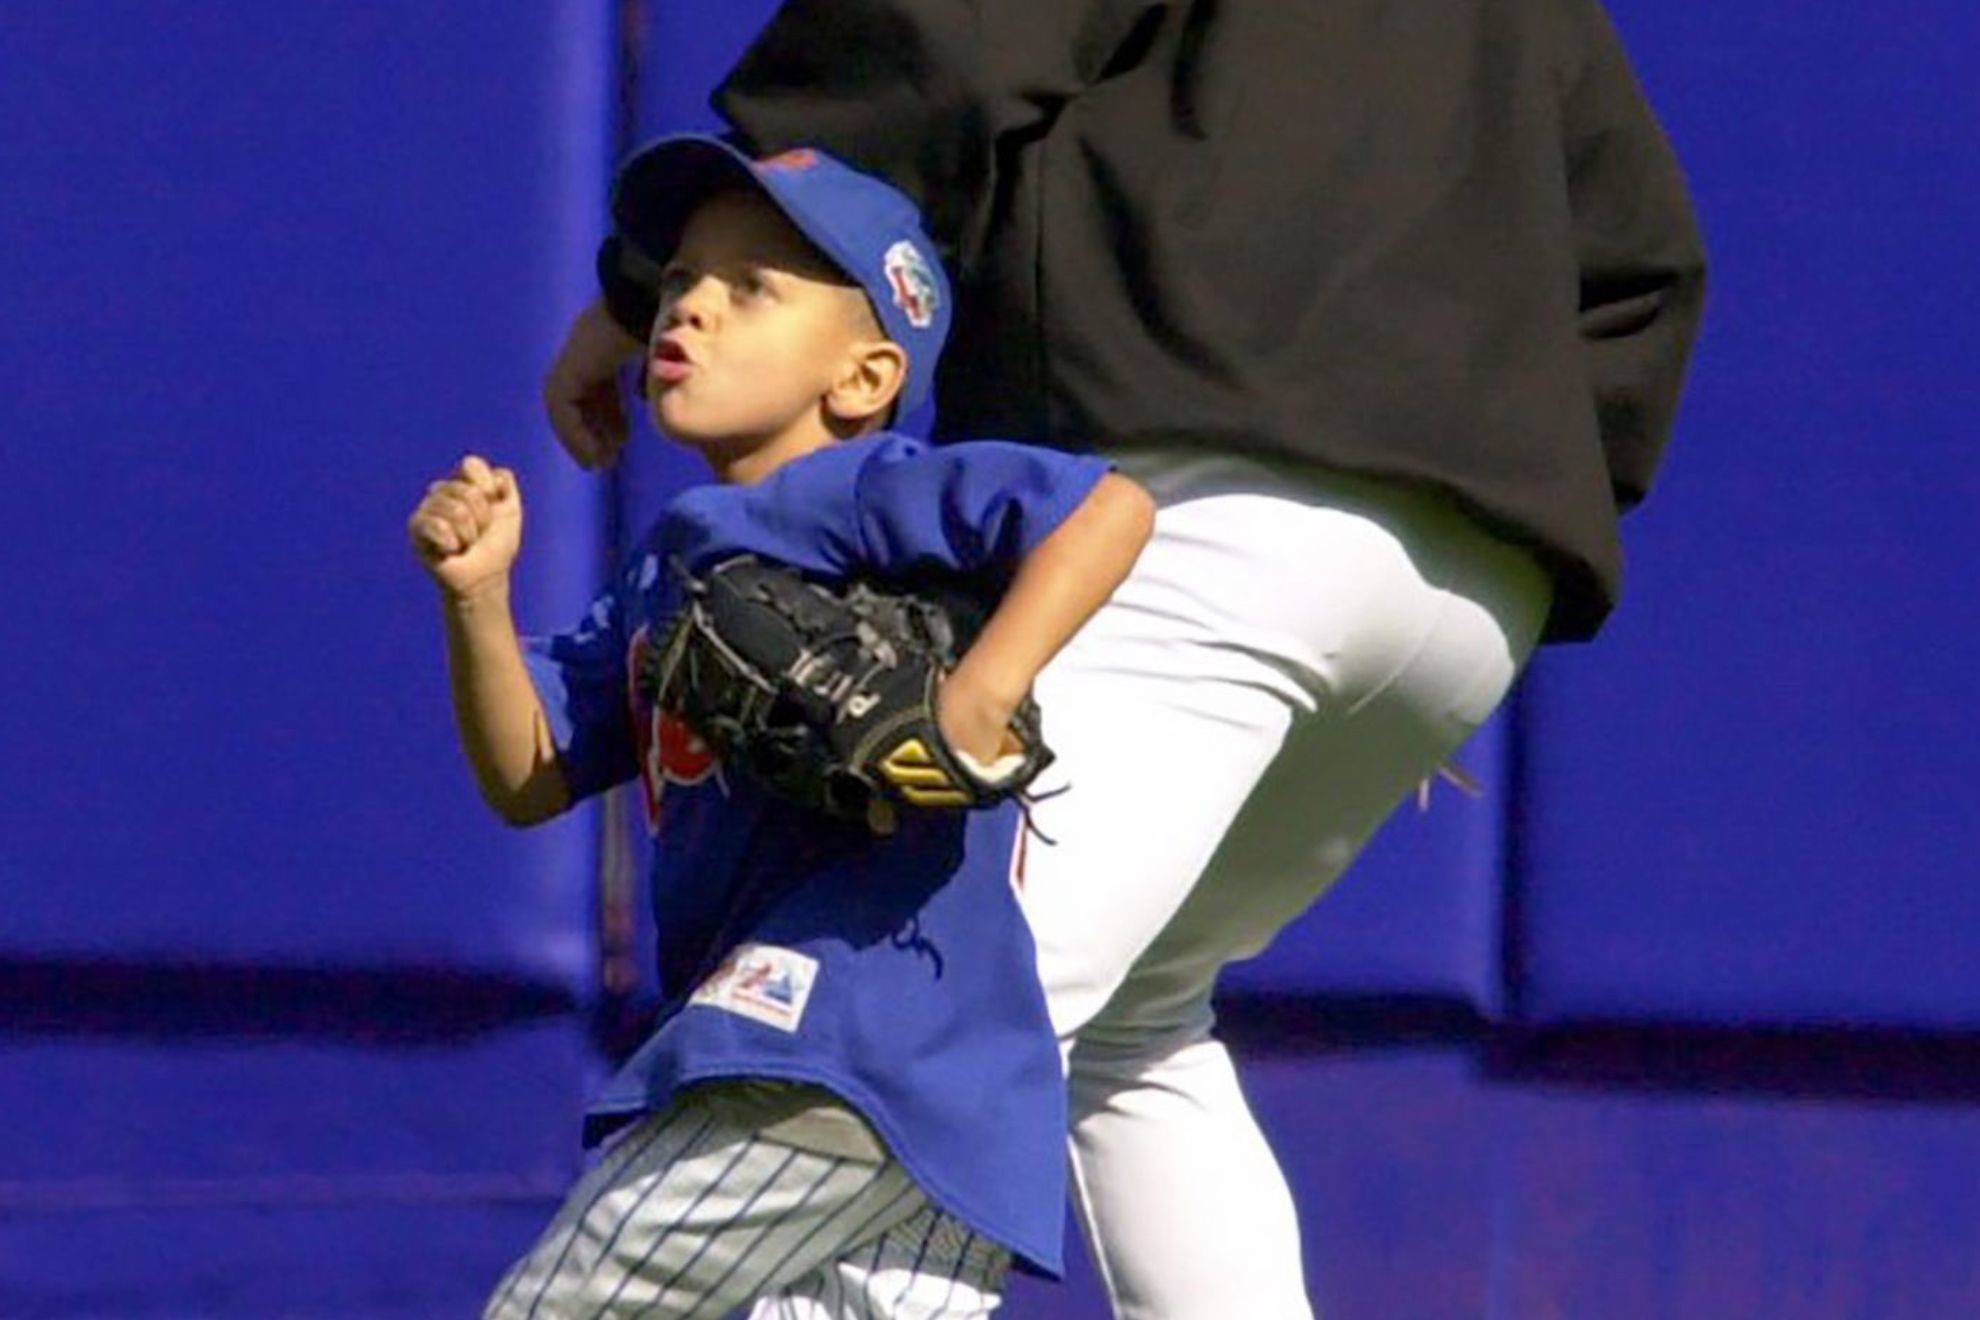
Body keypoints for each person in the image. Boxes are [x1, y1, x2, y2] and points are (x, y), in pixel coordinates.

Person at [544, 2, 1708, 1315]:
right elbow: (1640, 267)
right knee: (1138, 1034)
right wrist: (1444, 532)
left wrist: (646, 282)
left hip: (1187, 519)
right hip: (1460, 590)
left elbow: (932, 32)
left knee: (893, 1029)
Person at [411, 136, 1155, 1317]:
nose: (692, 306)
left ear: (861, 379)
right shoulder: (674, 559)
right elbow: (532, 776)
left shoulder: (860, 490)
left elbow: (1106, 508)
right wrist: (480, 602)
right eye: (679, 282)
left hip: (835, 1040)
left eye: (750, 287)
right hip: (942, 1124)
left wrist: (979, 692)